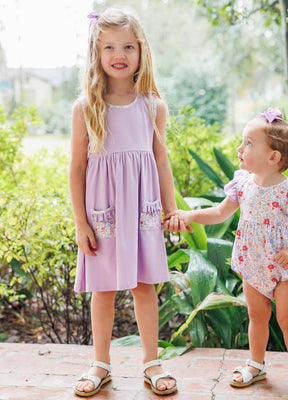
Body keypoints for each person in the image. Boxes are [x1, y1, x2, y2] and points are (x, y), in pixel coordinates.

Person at [69, 8, 183, 397]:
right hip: (104, 214)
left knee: (144, 287)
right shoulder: (86, 107)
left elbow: (161, 160)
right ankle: (100, 363)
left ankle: (152, 362)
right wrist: (81, 223)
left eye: (128, 46)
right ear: (96, 53)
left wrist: (171, 209)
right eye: (110, 47)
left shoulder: (153, 105)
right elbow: (78, 168)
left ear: (141, 51)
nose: (120, 54)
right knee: (103, 290)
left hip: (143, 210)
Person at [164, 108, 288, 394]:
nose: (240, 148)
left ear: (273, 157)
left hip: (284, 264)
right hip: (253, 260)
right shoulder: (243, 184)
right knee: (257, 316)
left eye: (249, 143)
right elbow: (221, 213)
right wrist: (190, 215)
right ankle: (256, 364)